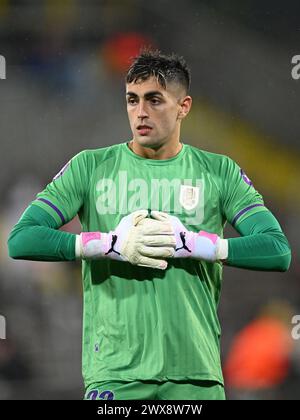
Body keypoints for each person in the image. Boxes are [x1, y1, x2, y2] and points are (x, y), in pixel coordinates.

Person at [7, 50, 291, 400]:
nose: (140, 111)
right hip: (115, 374)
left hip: (195, 375)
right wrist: (108, 244)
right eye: (132, 100)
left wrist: (199, 245)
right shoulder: (90, 167)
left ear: (183, 106)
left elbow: (277, 250)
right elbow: (21, 240)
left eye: (155, 100)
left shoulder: (219, 172)